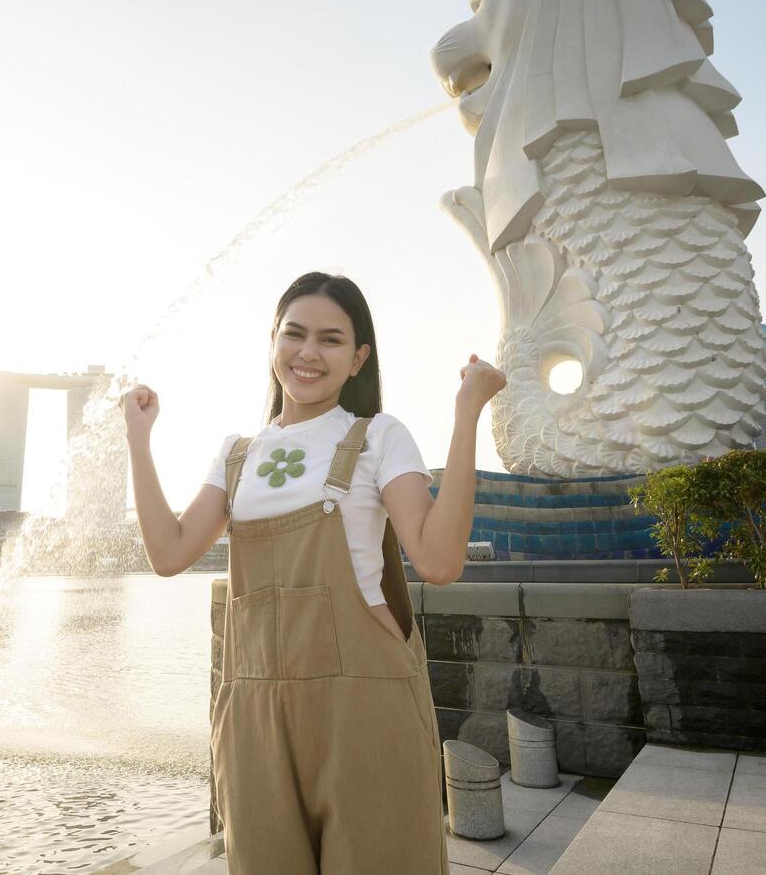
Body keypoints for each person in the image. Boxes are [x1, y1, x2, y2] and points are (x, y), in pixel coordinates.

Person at [122, 271, 505, 875]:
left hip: (365, 700)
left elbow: (438, 559)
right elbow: (168, 554)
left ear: (358, 359)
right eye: (294, 334)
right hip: (252, 709)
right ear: (273, 342)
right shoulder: (236, 454)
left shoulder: (379, 436)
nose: (308, 352)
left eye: (330, 340)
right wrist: (138, 441)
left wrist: (467, 414)